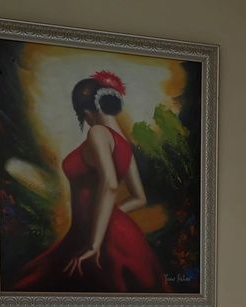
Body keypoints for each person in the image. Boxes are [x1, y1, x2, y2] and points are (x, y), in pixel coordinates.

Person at [13, 71, 168, 293]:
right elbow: (139, 198)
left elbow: (110, 184)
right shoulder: (124, 144)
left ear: (86, 112)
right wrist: (107, 217)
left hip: (102, 240)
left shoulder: (97, 132)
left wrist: (95, 242)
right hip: (105, 232)